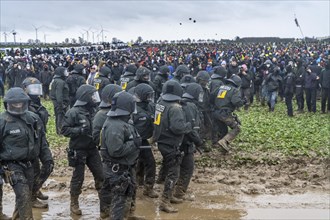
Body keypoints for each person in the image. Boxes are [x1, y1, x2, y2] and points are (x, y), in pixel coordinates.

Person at [0, 87, 53, 219]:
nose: (18, 105)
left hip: (30, 165)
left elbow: (41, 141)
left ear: (25, 102)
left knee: (25, 197)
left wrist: (47, 159)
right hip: (12, 166)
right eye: (14, 103)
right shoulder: (2, 121)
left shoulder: (34, 118)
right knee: (23, 196)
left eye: (20, 102)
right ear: (8, 104)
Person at [61, 84, 104, 215]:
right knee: (78, 177)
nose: (95, 98)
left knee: (101, 176)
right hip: (78, 150)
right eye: (92, 96)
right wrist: (79, 130)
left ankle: (105, 204)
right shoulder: (73, 112)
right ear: (85, 97)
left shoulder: (94, 110)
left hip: (92, 149)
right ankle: (74, 203)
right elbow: (64, 130)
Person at [99, 91, 141, 219]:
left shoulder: (121, 121)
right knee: (119, 201)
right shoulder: (115, 125)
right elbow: (116, 151)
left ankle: (123, 215)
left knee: (125, 195)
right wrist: (133, 144)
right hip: (117, 169)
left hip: (123, 167)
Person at [153, 80, 191, 213]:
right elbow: (177, 128)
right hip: (170, 143)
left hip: (161, 140)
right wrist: (188, 126)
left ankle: (169, 197)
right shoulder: (175, 107)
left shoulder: (160, 103)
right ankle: (165, 201)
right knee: (173, 173)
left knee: (170, 169)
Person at [21, 77, 53, 208]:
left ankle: (35, 188)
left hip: (41, 140)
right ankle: (32, 196)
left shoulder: (38, 104)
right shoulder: (23, 106)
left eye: (37, 89)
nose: (35, 92)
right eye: (32, 89)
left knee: (48, 165)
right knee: (33, 170)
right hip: (31, 144)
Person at [174, 83, 203, 200]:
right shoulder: (190, 106)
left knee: (177, 167)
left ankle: (174, 190)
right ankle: (179, 193)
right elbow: (191, 128)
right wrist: (199, 142)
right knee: (188, 168)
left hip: (176, 141)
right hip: (186, 142)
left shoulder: (180, 102)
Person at [131, 84, 158, 198]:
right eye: (148, 96)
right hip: (135, 141)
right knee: (149, 163)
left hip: (145, 139)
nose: (150, 98)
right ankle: (147, 187)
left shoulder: (150, 106)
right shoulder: (133, 108)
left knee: (144, 161)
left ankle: (141, 183)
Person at [214, 75, 245, 152]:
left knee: (223, 130)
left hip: (215, 113)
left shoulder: (219, 88)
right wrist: (243, 102)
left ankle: (222, 147)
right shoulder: (234, 90)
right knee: (237, 128)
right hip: (225, 113)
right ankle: (224, 141)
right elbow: (236, 102)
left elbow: (211, 97)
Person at [50, 67, 70, 135]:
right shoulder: (60, 82)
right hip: (61, 103)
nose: (66, 73)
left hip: (57, 102)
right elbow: (59, 94)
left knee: (59, 116)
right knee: (60, 117)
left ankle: (59, 131)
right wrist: (61, 105)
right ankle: (61, 131)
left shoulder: (56, 80)